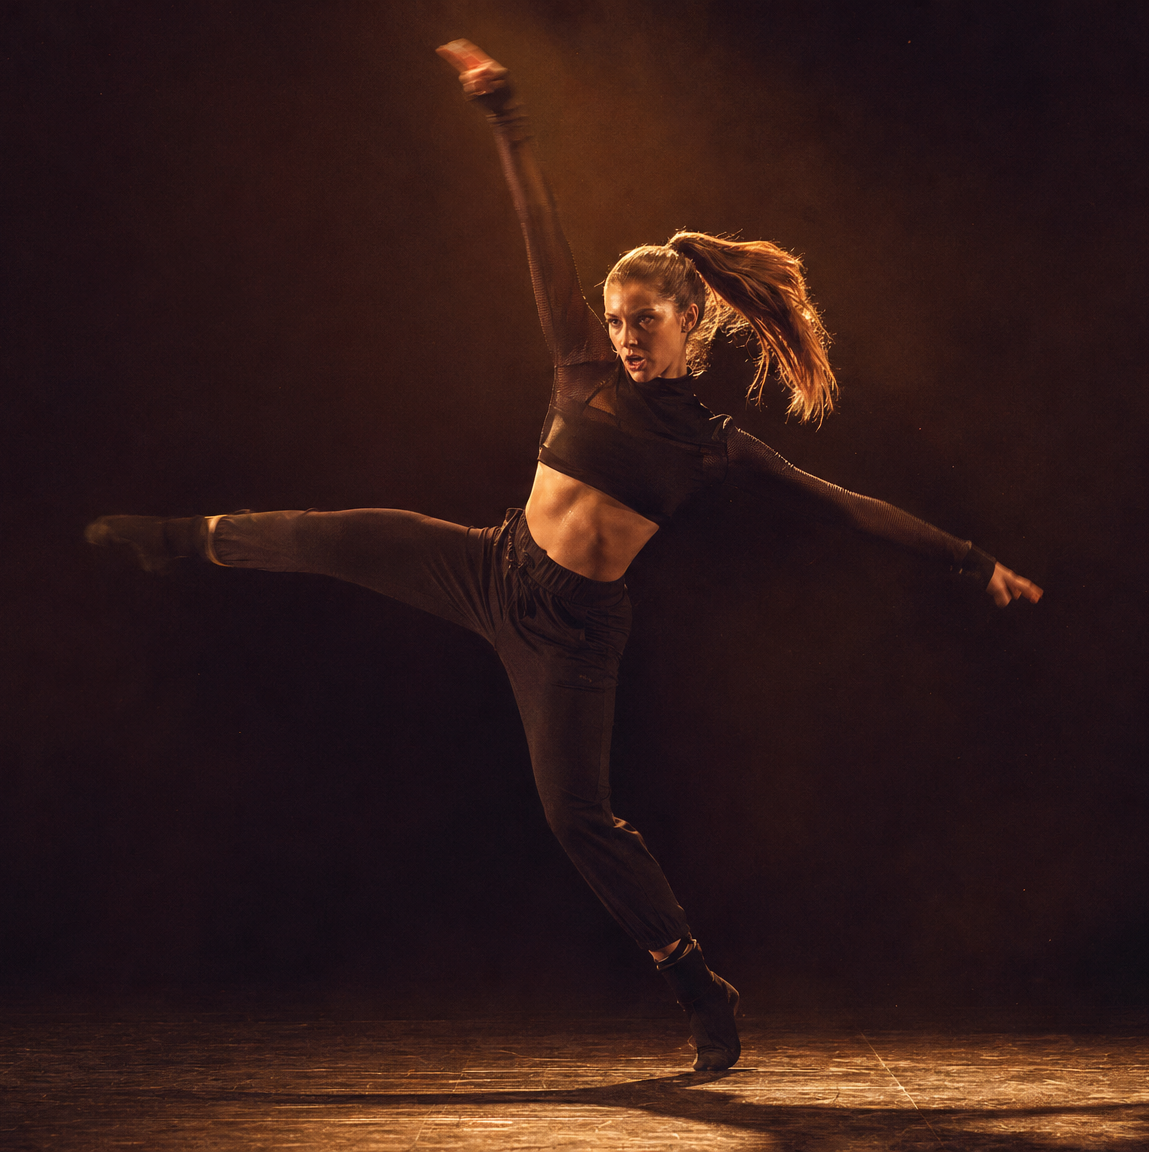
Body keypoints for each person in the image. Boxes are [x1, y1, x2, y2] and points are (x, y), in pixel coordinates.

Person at [85, 38, 1042, 1072]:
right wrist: (505, 114)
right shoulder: (577, 363)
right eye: (619, 319)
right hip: (492, 567)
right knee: (342, 532)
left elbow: (844, 505)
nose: (628, 337)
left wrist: (965, 557)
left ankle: (696, 985)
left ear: (691, 324)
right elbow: (533, 226)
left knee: (574, 815)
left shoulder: (712, 445)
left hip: (574, 633)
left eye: (647, 323)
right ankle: (175, 541)